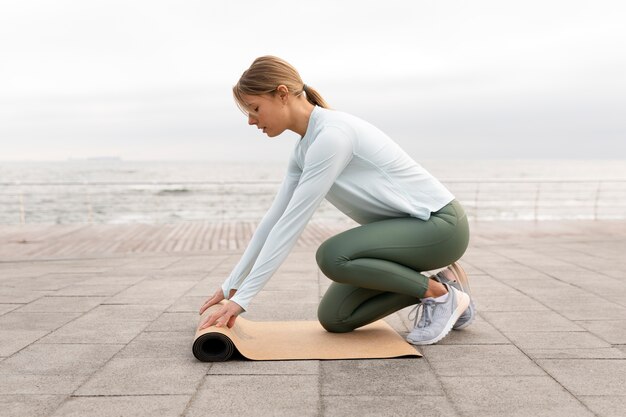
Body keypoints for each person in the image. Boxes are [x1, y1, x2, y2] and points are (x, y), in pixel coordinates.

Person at [198, 55, 475, 345]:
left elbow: (291, 225)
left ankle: (439, 297)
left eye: (255, 108)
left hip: (441, 227)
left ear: (281, 94)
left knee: (332, 255)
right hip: (409, 232)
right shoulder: (304, 148)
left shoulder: (332, 136)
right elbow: (274, 221)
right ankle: (448, 288)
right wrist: (231, 286)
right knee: (336, 318)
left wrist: (242, 301)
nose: (251, 120)